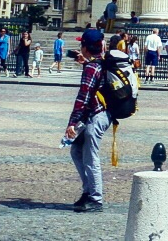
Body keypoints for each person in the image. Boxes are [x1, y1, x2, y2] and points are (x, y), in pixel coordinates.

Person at [63, 30, 109, 213]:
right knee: (76, 150)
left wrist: (72, 123)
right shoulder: (99, 63)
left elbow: (83, 97)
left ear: (85, 47)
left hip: (96, 115)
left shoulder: (92, 67)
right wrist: (85, 62)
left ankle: (96, 199)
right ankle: (88, 191)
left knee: (90, 156)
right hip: (96, 114)